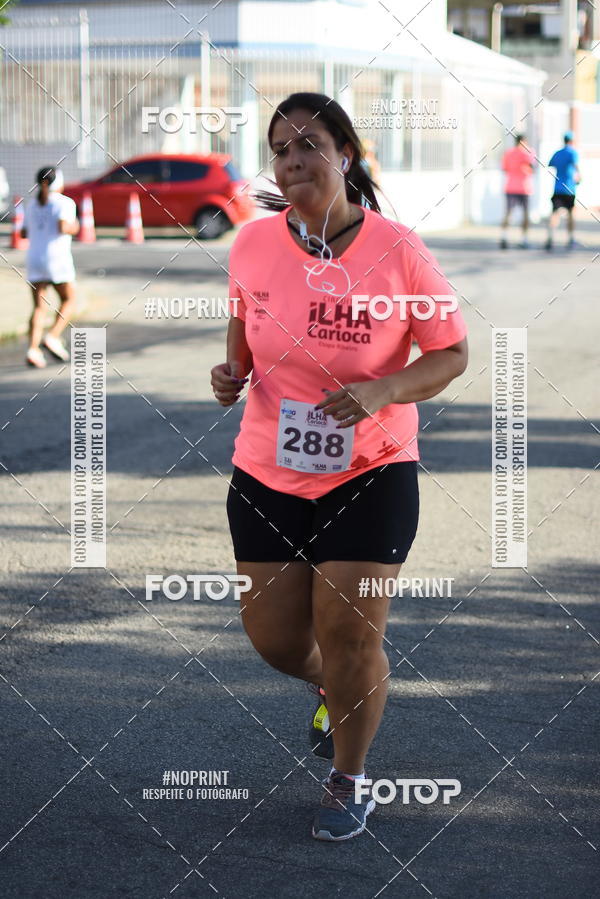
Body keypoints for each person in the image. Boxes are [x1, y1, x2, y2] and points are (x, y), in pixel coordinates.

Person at [211, 92, 468, 842]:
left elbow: (452, 352)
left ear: (344, 155)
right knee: (278, 641)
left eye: (310, 143)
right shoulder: (254, 243)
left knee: (351, 633)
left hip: (374, 468)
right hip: (266, 468)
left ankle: (349, 778)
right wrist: (230, 374)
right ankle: (335, 686)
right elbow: (242, 323)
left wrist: (385, 389)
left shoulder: (399, 249)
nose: (293, 159)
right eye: (281, 148)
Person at [21, 167, 79, 368]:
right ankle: (53, 336)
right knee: (69, 299)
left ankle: (33, 350)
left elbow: (23, 233)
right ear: (57, 182)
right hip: (57, 259)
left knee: (39, 306)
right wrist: (76, 227)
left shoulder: (32, 205)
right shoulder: (65, 203)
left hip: (34, 258)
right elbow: (64, 228)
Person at [545, 131, 581, 251]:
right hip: (569, 189)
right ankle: (570, 239)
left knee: (555, 213)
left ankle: (550, 238)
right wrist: (579, 176)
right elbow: (576, 167)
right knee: (571, 214)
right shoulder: (573, 152)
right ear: (571, 141)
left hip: (557, 188)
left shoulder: (558, 153)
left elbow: (550, 164)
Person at [499, 134, 535, 249]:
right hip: (524, 188)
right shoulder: (528, 152)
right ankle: (524, 239)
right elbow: (533, 166)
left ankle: (503, 237)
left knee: (508, 213)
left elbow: (504, 169)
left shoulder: (508, 153)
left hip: (510, 187)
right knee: (525, 215)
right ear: (523, 142)